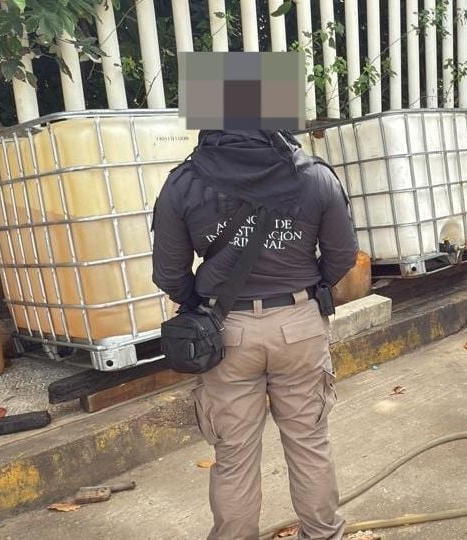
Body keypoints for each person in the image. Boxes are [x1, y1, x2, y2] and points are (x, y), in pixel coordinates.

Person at [152, 130, 358, 540]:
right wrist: (308, 291)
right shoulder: (315, 176)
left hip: (225, 334)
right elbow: (342, 255)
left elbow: (170, 274)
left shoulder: (184, 182)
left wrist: (205, 308)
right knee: (309, 442)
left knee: (233, 455)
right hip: (299, 327)